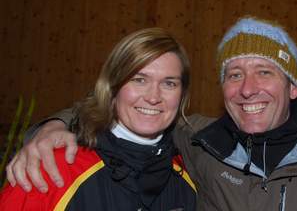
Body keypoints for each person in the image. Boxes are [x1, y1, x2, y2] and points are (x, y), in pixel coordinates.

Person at [6, 17, 297, 211]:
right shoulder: (202, 145)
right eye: (234, 74)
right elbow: (118, 114)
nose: (247, 88)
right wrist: (51, 126)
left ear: (293, 87)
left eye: (265, 71)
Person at [0, 28, 197, 210]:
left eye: (169, 83)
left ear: (181, 95)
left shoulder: (186, 174)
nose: (153, 97)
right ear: (112, 87)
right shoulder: (54, 167)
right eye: (139, 80)